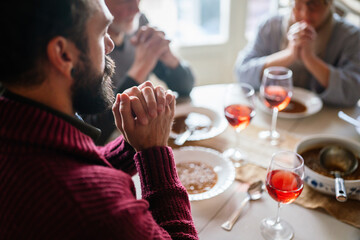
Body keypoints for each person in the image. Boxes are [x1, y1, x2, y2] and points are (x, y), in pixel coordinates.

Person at [0, 0, 198, 239]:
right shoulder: (99, 209)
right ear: (63, 54)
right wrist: (154, 154)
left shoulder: (17, 128)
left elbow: (73, 165)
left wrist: (132, 144)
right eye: (102, 32)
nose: (110, 44)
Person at [82, 0, 195, 145]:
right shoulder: (89, 44)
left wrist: (169, 58)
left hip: (143, 136)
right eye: (124, 2)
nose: (136, 9)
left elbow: (185, 86)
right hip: (112, 148)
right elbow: (92, 132)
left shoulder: (137, 23)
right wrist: (139, 70)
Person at [235, 0, 360, 107]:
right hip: (271, 113)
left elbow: (353, 93)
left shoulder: (351, 36)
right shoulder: (270, 26)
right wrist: (289, 54)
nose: (305, 14)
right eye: (298, 6)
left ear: (329, 4)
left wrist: (310, 59)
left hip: (327, 122)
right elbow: (242, 73)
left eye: (313, 6)